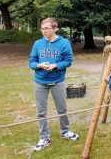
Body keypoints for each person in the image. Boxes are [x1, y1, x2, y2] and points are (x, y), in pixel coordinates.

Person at [28, 18, 79, 152]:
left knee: (62, 109)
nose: (44, 31)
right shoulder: (38, 43)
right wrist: (39, 65)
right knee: (41, 112)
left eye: (46, 28)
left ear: (54, 28)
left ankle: (65, 131)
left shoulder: (64, 43)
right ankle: (44, 137)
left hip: (58, 81)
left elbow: (68, 61)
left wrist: (55, 65)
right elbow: (31, 62)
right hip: (40, 82)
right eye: (42, 29)